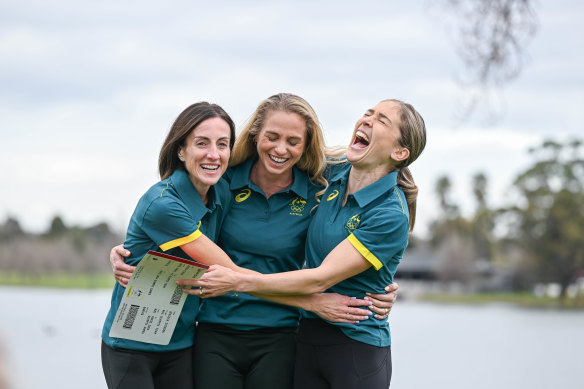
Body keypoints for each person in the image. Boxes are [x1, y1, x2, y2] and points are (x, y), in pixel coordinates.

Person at [110, 93, 399, 389]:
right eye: (271, 137)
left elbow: (385, 171)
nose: (281, 149)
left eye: (293, 141)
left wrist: (382, 278)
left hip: (281, 335)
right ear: (255, 135)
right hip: (215, 332)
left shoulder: (320, 185)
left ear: (305, 144)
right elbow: (173, 216)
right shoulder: (223, 180)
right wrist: (129, 252)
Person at [180, 98, 426, 388]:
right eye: (368, 113)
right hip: (301, 337)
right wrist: (131, 250)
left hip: (342, 341)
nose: (368, 120)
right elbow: (176, 205)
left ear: (400, 151)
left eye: (382, 120)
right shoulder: (336, 174)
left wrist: (236, 281)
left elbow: (322, 277)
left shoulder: (369, 204)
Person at [101, 102, 239, 389]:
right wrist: (307, 299)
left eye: (222, 144)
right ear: (181, 150)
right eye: (202, 143)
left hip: (179, 343)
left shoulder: (221, 190)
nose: (213, 154)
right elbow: (232, 273)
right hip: (130, 346)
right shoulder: (163, 204)